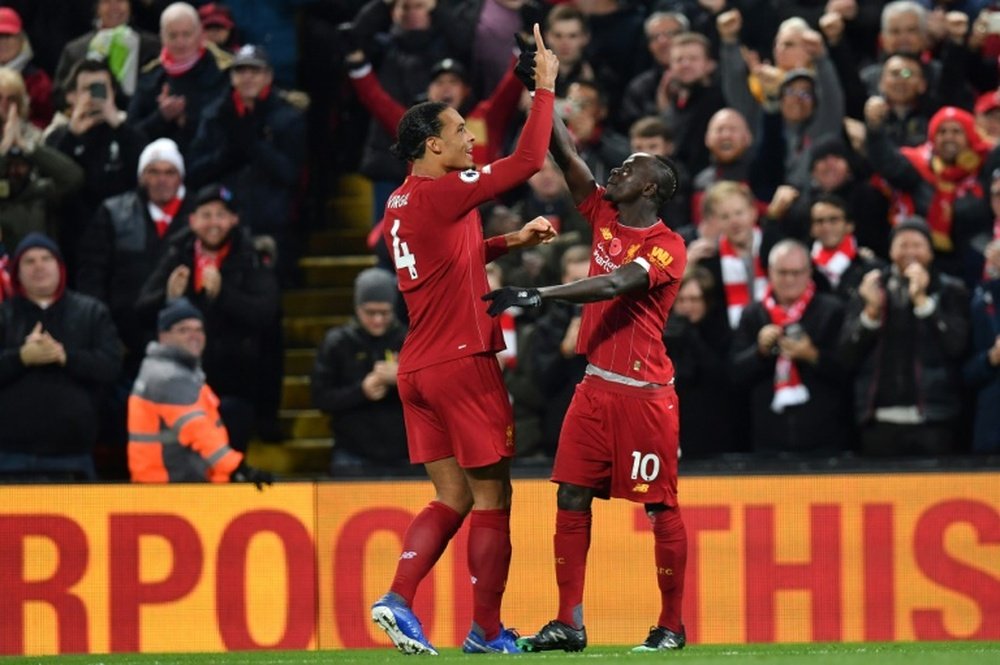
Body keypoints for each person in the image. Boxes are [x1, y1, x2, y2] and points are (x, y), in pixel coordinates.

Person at [483, 51, 689, 654]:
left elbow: (616, 283)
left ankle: (672, 625)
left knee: (658, 507)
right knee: (570, 495)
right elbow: (565, 152)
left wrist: (539, 293)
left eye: (629, 167)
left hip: (644, 394)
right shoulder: (602, 212)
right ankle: (568, 622)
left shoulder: (666, 246)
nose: (616, 170)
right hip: (594, 387)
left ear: (650, 187)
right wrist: (541, 89)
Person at [368, 23, 558, 657]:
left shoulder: (401, 202)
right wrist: (546, 91)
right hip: (461, 360)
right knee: (493, 496)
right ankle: (486, 632)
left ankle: (397, 598)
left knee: (450, 495)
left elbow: (450, 259)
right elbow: (530, 162)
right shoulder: (444, 193)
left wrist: (509, 243)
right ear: (429, 144)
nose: (471, 138)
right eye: (459, 132)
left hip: (417, 366)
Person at [135, 183, 280, 453]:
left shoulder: (252, 257)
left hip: (236, 386)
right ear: (192, 220)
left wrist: (224, 293)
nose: (214, 223)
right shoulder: (176, 253)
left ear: (234, 220)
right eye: (206, 215)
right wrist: (167, 297)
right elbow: (141, 310)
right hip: (181, 388)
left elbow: (265, 313)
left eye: (221, 215)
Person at [839, 217, 970, 455]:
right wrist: (871, 312)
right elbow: (847, 355)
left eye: (917, 245)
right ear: (890, 251)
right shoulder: (869, 289)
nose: (910, 251)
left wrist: (923, 301)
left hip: (935, 417)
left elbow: (957, 346)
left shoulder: (951, 290)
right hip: (879, 419)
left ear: (930, 251)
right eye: (903, 245)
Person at [0, 233, 121, 480]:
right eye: (29, 261)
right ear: (17, 272)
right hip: (10, 457)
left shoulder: (91, 312)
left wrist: (65, 356)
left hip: (74, 457)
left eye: (46, 258)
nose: (39, 266)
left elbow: (111, 366)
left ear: (60, 266)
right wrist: (21, 358)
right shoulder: (4, 315)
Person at [128, 297, 273, 486]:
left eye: (198, 329)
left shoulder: (170, 370)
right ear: (163, 336)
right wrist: (236, 467)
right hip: (171, 487)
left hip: (168, 484)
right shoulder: (169, 377)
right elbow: (197, 428)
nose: (194, 336)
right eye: (183, 330)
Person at [730, 240, 847, 456]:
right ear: (770, 273)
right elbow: (734, 374)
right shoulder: (753, 314)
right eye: (782, 273)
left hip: (824, 441)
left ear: (809, 272)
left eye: (796, 272)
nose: (789, 279)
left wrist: (812, 355)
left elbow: (847, 370)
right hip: (768, 442)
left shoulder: (832, 310)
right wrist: (759, 352)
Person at [311, 267, 410, 476]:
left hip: (406, 455)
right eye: (370, 312)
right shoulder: (337, 343)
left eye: (384, 313)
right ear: (357, 308)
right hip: (352, 456)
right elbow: (320, 398)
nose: (377, 320)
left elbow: (438, 394)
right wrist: (361, 391)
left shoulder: (409, 341)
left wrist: (405, 379)